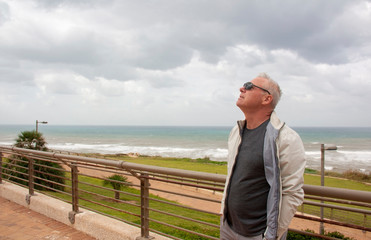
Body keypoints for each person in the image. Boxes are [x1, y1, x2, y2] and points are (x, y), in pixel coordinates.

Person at [220, 73, 306, 240]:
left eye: (249, 86)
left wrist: (272, 234)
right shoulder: (236, 131)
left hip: (259, 234)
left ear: (266, 99)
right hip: (228, 227)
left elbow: (292, 192)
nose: (241, 88)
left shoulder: (286, 138)